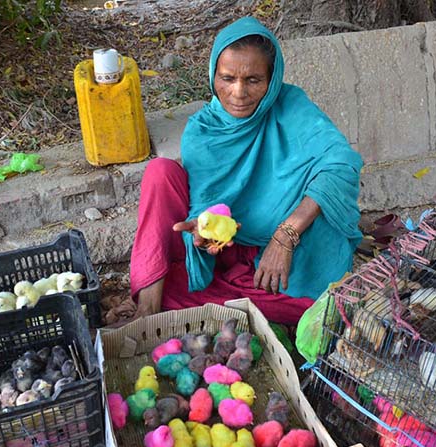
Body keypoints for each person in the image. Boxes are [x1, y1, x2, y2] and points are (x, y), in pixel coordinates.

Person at [127, 16, 363, 326]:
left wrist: (285, 235)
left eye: (253, 80)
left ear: (271, 79)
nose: (238, 92)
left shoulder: (290, 106)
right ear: (213, 74)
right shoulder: (203, 131)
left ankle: (211, 302)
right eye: (227, 78)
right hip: (230, 248)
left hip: (290, 253)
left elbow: (341, 164)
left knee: (316, 304)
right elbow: (208, 209)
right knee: (160, 171)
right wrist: (204, 233)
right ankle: (148, 310)